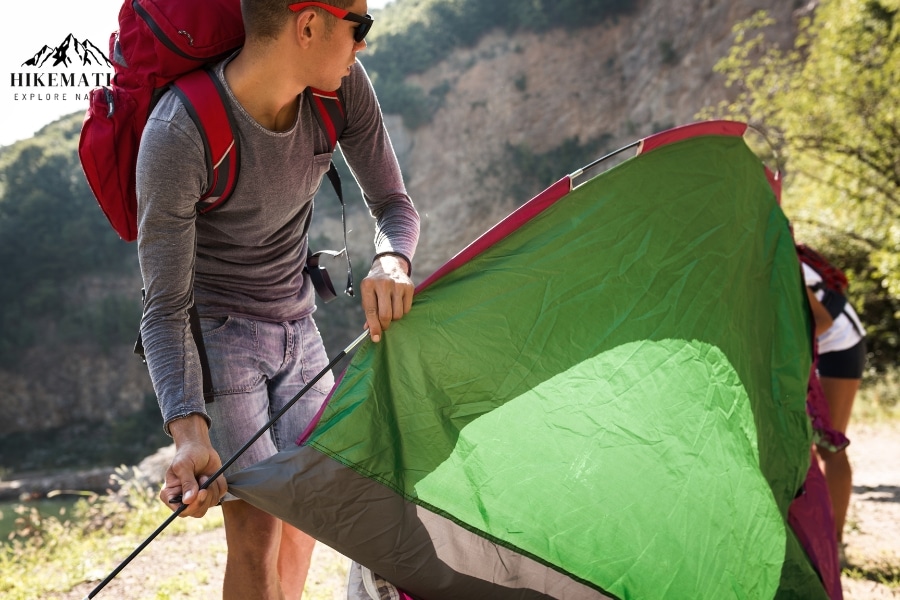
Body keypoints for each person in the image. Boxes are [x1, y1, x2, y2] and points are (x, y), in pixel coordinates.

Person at [134, 1, 419, 598]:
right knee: (257, 527)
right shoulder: (178, 132)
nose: (364, 44)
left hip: (298, 318)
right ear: (308, 25)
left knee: (310, 500)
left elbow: (394, 205)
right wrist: (190, 434)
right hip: (218, 334)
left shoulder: (340, 92)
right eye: (358, 26)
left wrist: (393, 258)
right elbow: (163, 306)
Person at [801, 260, 866, 556]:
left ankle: (836, 545)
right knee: (802, 443)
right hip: (809, 347)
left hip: (837, 344)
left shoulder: (778, 252)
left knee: (830, 444)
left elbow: (822, 320)